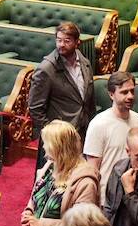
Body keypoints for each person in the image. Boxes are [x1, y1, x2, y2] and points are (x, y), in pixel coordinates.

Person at [26, 22, 92, 154]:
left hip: (82, 130)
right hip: (59, 136)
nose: (61, 44)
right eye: (58, 40)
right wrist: (52, 132)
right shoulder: (46, 69)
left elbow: (88, 98)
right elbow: (35, 108)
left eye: (66, 41)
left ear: (77, 42)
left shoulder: (85, 62)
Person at [84, 70, 138, 187]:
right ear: (111, 94)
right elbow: (92, 169)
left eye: (132, 91)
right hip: (106, 196)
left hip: (131, 191)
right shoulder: (98, 124)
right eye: (124, 92)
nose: (130, 96)